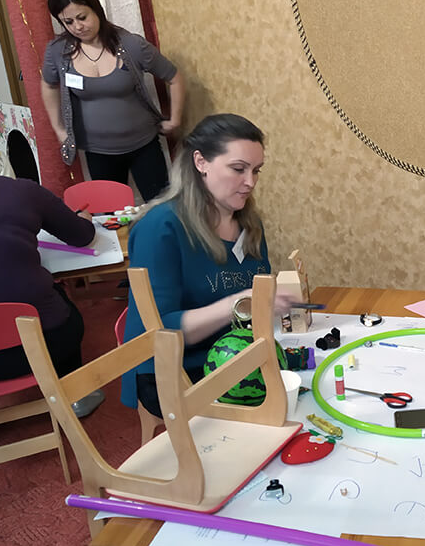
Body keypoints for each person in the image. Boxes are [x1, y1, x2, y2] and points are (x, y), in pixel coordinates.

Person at [120, 113, 296, 422]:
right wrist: (238, 302)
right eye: (238, 169)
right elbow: (160, 332)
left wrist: (269, 302)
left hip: (235, 355)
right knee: (283, 414)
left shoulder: (248, 223)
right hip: (173, 370)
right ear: (201, 162)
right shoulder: (160, 228)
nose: (250, 182)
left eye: (256, 170)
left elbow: (255, 293)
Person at [0, 114, 104, 418]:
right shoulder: (21, 191)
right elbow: (82, 236)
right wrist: (84, 219)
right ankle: (74, 395)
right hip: (40, 344)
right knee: (60, 301)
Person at [40, 0, 185, 202]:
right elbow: (49, 84)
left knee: (160, 208)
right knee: (110, 214)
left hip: (144, 146)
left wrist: (174, 120)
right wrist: (59, 129)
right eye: (68, 22)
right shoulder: (58, 51)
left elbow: (174, 77)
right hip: (98, 151)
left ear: (96, 9)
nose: (77, 27)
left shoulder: (131, 45)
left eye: (82, 17)